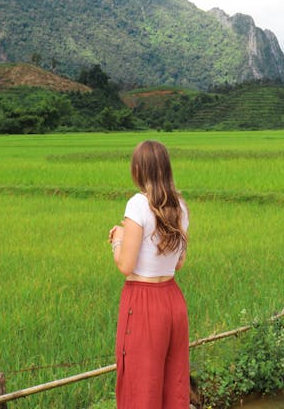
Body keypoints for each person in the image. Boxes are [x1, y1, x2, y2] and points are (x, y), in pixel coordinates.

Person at [108, 140, 190, 409]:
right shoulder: (180, 205)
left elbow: (125, 266)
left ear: (138, 169)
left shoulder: (137, 205)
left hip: (143, 303)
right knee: (173, 382)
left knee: (140, 385)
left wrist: (118, 239)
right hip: (173, 301)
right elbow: (178, 263)